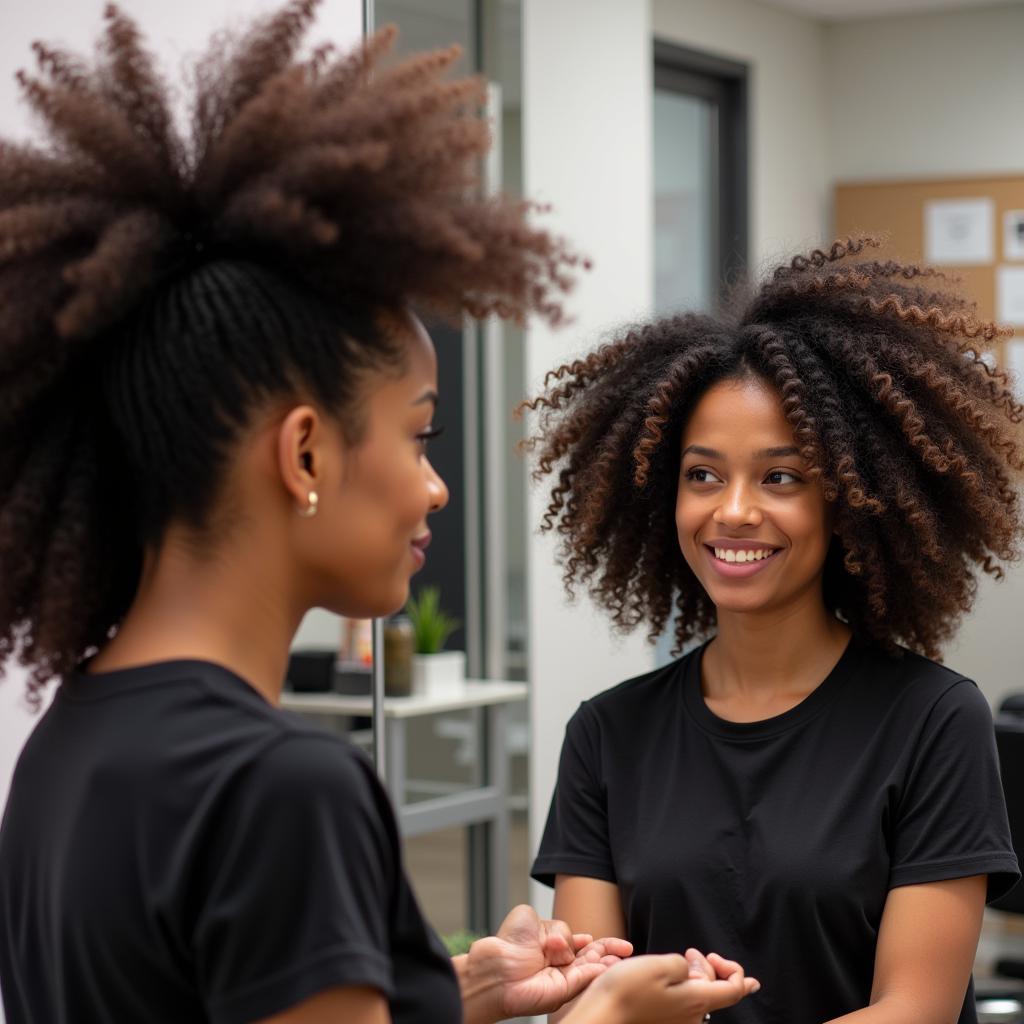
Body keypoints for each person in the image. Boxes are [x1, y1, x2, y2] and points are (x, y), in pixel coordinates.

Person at [0, 3, 760, 1023]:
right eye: (419, 435)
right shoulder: (281, 787)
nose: (434, 484)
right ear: (305, 451)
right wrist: (603, 1018)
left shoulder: (71, 743)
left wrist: (450, 993)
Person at [526, 238, 1023, 1024]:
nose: (733, 511)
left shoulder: (933, 723)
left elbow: (914, 1012)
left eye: (780, 477)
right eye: (703, 475)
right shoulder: (606, 736)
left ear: (851, 500)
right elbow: (587, 1007)